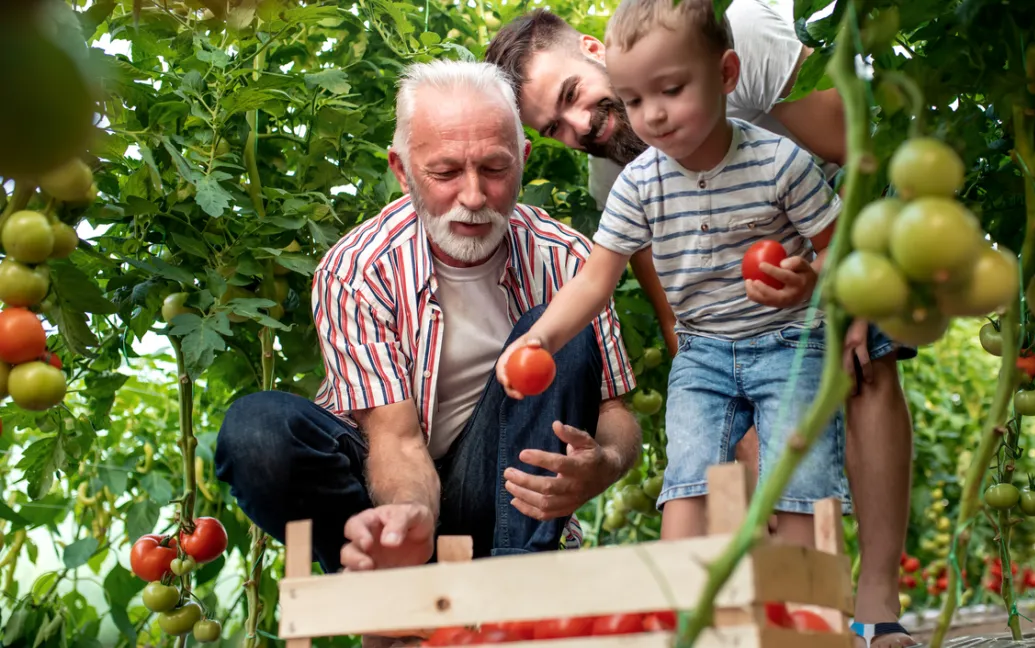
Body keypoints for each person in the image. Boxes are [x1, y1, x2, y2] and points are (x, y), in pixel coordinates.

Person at [485, 2, 915, 646]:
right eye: (555, 129)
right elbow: (672, 310)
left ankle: (875, 605)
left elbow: (867, 157)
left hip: (841, 215)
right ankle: (732, 614)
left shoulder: (739, 38)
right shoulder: (625, 177)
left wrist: (845, 293)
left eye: (573, 95)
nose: (580, 126)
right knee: (712, 471)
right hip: (736, 321)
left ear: (597, 49)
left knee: (866, 367)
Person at [214, 60, 641, 585]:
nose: (474, 197)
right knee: (258, 432)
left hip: (500, 492)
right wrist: (410, 515)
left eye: (495, 169)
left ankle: (515, 596)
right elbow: (395, 439)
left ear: (524, 159)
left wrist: (607, 462)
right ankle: (388, 582)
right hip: (387, 488)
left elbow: (614, 411)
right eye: (444, 173)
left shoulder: (568, 261)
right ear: (401, 169)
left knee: (552, 334)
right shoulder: (357, 271)